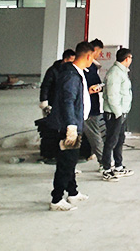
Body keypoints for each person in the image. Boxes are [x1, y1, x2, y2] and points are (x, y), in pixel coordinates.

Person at [45, 41, 94, 211]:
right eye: (93, 57)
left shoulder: (76, 73)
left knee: (71, 160)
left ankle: (72, 192)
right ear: (88, 56)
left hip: (75, 123)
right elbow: (68, 101)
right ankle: (57, 199)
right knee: (66, 162)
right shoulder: (71, 75)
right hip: (68, 126)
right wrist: (71, 126)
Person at [100, 48, 134, 181]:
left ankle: (118, 166)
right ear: (127, 58)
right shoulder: (115, 73)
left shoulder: (122, 72)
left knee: (119, 140)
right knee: (111, 141)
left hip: (121, 112)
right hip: (114, 113)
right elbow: (112, 95)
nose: (131, 60)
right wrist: (118, 113)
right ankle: (106, 169)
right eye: (131, 58)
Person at [83, 39, 106, 170]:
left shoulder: (92, 67)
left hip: (92, 105)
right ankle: (104, 163)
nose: (99, 55)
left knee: (93, 134)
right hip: (88, 108)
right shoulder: (85, 68)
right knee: (95, 135)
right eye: (99, 52)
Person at [39, 48, 75, 117]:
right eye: (71, 60)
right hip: (52, 101)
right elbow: (45, 86)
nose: (73, 63)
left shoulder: (71, 71)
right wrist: (44, 100)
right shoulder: (52, 70)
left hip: (64, 101)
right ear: (65, 59)